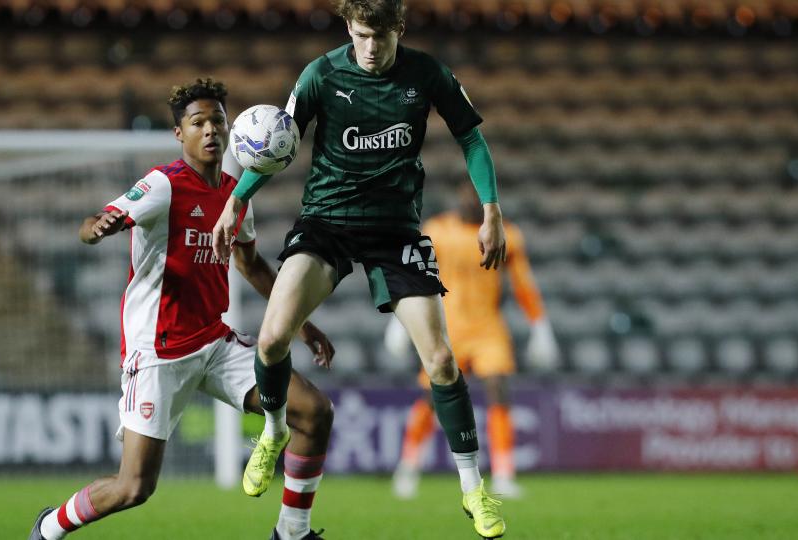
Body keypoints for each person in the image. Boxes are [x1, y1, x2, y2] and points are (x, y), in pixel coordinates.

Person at [212, 1, 507, 537]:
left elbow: (470, 137)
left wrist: (491, 209)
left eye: (379, 36)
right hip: (327, 223)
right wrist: (235, 199)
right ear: (349, 27)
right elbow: (279, 143)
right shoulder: (321, 73)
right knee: (273, 338)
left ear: (398, 28)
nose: (369, 48)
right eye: (360, 34)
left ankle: (474, 490)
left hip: (396, 232)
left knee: (441, 361)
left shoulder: (427, 73)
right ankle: (274, 433)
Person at [28, 79, 334, 540]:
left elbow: (250, 264)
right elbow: (88, 226)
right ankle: (50, 526)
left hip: (213, 340)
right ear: (180, 135)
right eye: (198, 123)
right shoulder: (162, 185)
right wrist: (99, 228)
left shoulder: (235, 194)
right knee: (134, 487)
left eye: (217, 121)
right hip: (159, 350)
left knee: (313, 411)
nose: (210, 130)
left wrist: (301, 325)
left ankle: (292, 532)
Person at [389, 177, 560, 500]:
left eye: (480, 196)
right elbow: (414, 273)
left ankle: (505, 474)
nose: (472, 200)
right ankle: (409, 466)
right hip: (446, 325)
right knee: (433, 397)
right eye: (468, 193)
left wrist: (540, 326)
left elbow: (523, 283)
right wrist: (399, 321)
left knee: (498, 386)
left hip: (487, 326)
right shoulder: (438, 230)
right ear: (459, 195)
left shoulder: (505, 234)